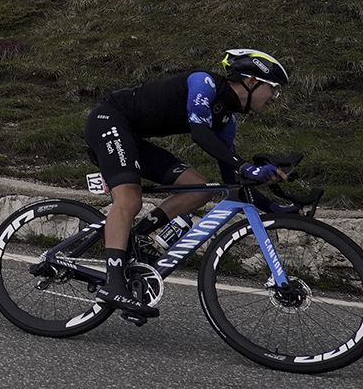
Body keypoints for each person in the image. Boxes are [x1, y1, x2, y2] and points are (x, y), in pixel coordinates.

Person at [83, 48, 289, 320]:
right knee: (130, 199)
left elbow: (233, 182)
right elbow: (200, 133)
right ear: (251, 81)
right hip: (109, 120)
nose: (275, 98)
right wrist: (245, 166)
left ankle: (138, 236)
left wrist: (277, 207)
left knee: (198, 188)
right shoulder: (203, 83)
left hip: (132, 137)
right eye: (273, 89)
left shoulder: (226, 120)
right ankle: (114, 284)